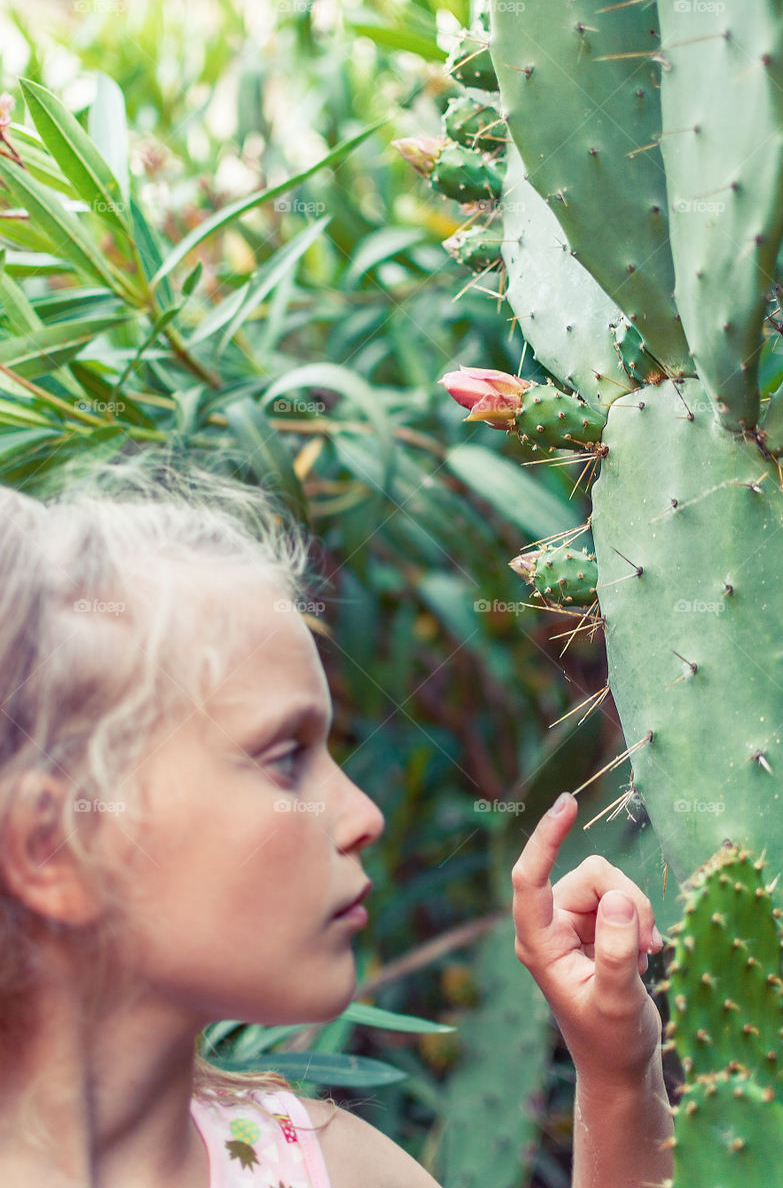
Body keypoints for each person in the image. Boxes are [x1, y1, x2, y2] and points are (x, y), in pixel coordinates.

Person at [0, 450, 672, 1188]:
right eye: (285, 757)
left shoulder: (322, 1164)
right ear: (49, 847)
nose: (363, 817)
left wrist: (616, 1081)